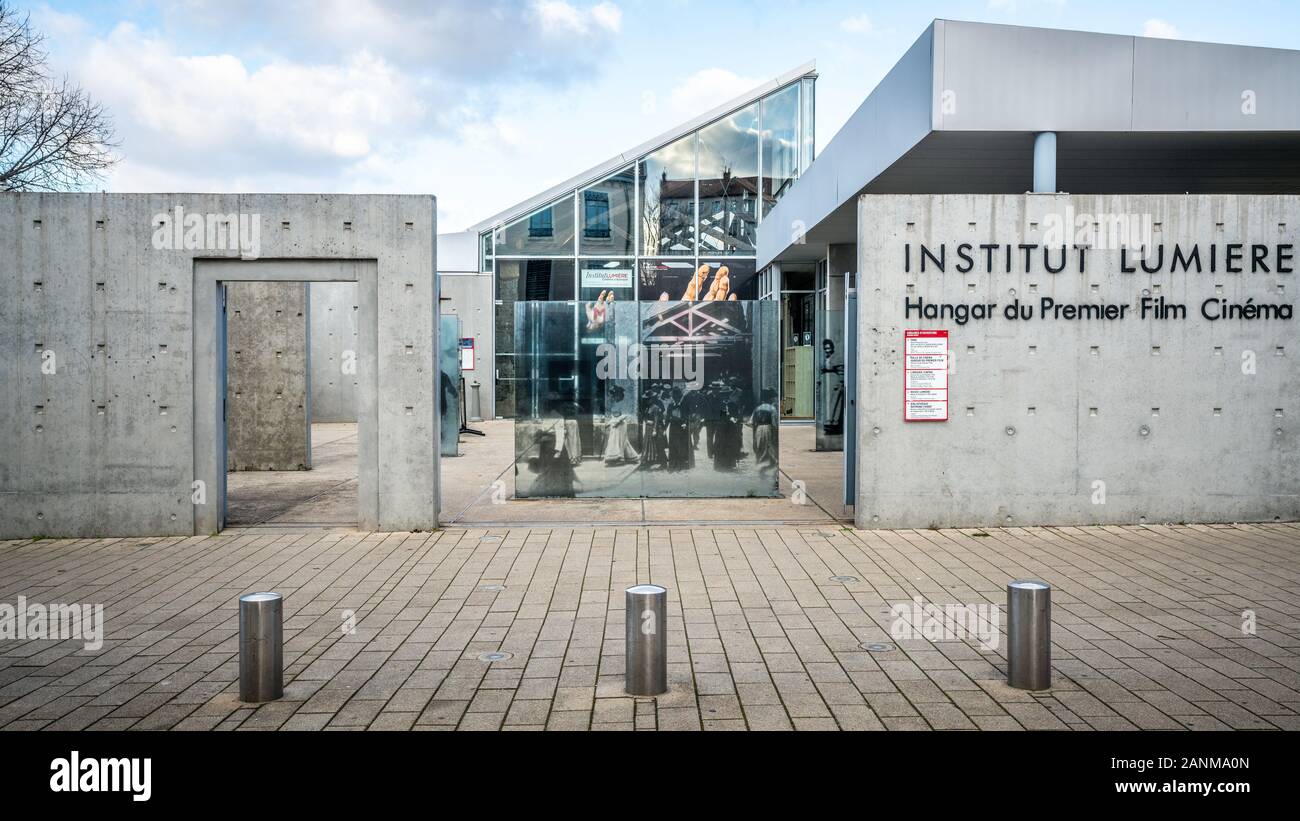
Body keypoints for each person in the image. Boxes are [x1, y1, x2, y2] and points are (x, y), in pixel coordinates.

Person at [602, 385, 639, 466]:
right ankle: (622, 457)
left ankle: (619, 458)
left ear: (619, 395)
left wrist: (617, 421)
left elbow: (625, 415)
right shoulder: (614, 404)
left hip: (621, 424)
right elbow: (612, 415)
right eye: (613, 396)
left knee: (620, 441)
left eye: (615, 396)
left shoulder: (623, 404)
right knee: (613, 440)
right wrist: (609, 422)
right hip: (614, 424)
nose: (614, 398)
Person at [751, 388, 779, 476]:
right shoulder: (772, 409)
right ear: (770, 399)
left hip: (758, 429)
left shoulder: (757, 408)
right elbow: (775, 423)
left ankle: (760, 467)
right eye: (773, 398)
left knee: (760, 446)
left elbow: (752, 422)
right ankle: (769, 468)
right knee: (770, 447)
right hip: (769, 428)